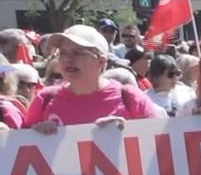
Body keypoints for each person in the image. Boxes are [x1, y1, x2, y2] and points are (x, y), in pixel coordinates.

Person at [21, 25, 162, 131]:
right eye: (63, 53)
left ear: (101, 60)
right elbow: (18, 151)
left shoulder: (130, 98)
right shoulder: (45, 99)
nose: (68, 59)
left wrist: (129, 132)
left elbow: (161, 146)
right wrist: (36, 135)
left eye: (78, 52)